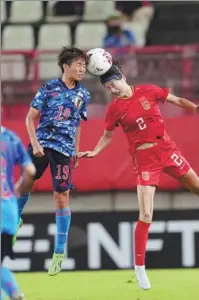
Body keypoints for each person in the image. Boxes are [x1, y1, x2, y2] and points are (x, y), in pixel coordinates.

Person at [78, 63, 199, 290]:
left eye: (112, 84)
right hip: (144, 160)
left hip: (167, 150)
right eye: (107, 88)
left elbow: (178, 101)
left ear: (122, 77)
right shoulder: (114, 109)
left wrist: (195, 108)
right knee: (145, 213)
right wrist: (94, 151)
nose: (112, 90)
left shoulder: (148, 91)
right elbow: (107, 136)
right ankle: (140, 267)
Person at [14, 47, 90, 276]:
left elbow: (78, 124)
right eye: (79, 64)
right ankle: (15, 219)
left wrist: (76, 150)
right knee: (26, 179)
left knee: (61, 195)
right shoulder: (48, 88)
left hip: (64, 150)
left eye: (85, 65)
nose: (83, 69)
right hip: (43, 143)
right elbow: (30, 118)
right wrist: (35, 144)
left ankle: (58, 252)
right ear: (66, 66)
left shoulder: (83, 94)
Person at [1, 126, 35, 300]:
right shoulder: (10, 138)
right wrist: (18, 191)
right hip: (8, 211)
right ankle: (14, 293)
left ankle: (14, 292)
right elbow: (30, 171)